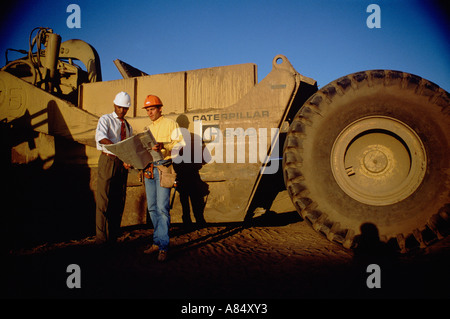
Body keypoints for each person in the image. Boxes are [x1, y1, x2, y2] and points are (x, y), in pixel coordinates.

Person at [142, 95, 183, 261]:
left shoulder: (171, 124)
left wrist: (164, 146)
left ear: (160, 108)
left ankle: (164, 247)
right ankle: (157, 242)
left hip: (163, 167)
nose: (150, 113)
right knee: (152, 207)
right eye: (148, 110)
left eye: (152, 109)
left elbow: (180, 144)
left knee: (162, 208)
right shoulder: (148, 128)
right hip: (149, 168)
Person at [95, 91, 133, 245]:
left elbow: (129, 145)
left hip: (121, 164)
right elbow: (102, 138)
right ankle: (101, 240)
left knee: (118, 201)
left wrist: (128, 158)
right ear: (114, 105)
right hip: (108, 161)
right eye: (119, 107)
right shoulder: (105, 119)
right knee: (104, 201)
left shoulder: (128, 126)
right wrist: (118, 149)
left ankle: (113, 238)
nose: (121, 110)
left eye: (125, 108)